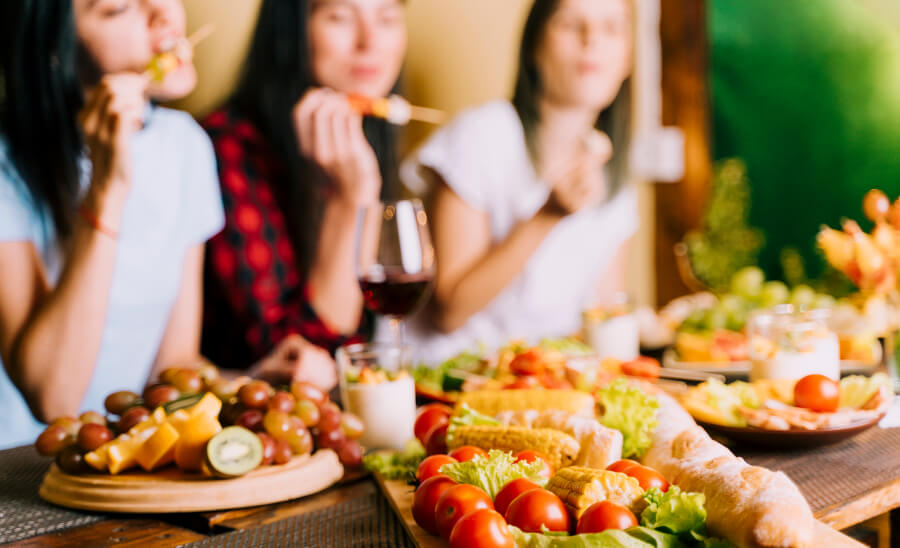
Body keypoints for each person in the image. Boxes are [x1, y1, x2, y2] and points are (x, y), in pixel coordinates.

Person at [0, 0, 224, 449]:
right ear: (56, 46)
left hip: (119, 467)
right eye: (119, 7)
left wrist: (255, 380)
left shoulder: (185, 146)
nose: (164, 14)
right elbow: (53, 396)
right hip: (20, 476)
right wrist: (106, 191)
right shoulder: (8, 164)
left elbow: (173, 363)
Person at [402, 0, 637, 363]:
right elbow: (448, 313)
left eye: (611, 28)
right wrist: (547, 215)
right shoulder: (481, 136)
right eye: (572, 24)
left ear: (628, 58)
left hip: (544, 383)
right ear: (535, 45)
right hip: (449, 381)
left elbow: (605, 311)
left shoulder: (615, 172)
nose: (593, 41)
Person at [201, 0, 406, 386]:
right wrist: (353, 199)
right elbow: (301, 361)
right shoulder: (226, 150)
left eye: (388, 17)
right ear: (290, 30)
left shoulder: (369, 137)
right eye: (340, 17)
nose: (370, 42)